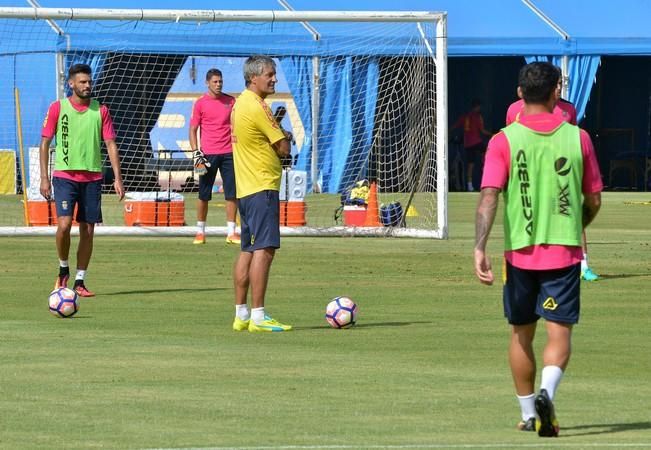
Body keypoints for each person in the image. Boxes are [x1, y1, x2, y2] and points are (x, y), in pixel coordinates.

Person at [474, 62, 602, 437]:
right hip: (563, 256)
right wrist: (577, 223)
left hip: (518, 255)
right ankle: (548, 391)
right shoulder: (578, 138)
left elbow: (488, 197)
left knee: (520, 335)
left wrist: (479, 247)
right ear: (556, 94)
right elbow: (593, 199)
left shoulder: (503, 140)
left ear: (518, 94)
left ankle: (530, 412)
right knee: (559, 335)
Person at [39, 63, 124, 297]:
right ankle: (63, 268)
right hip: (64, 176)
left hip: (93, 178)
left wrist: (117, 178)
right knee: (64, 226)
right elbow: (45, 142)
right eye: (83, 82)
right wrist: (44, 177)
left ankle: (79, 281)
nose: (87, 85)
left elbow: (110, 144)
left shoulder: (101, 110)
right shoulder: (58, 108)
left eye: (89, 82)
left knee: (88, 230)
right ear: (71, 84)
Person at [506, 76, 599, 282]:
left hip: (560, 174)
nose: (558, 88)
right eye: (555, 84)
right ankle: (525, 263)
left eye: (560, 84)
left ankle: (583, 265)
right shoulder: (515, 110)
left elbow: (573, 138)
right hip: (530, 175)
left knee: (572, 215)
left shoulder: (568, 109)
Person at [230, 55, 293, 333]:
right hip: (261, 186)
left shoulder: (238, 103)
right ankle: (258, 316)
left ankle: (241, 314)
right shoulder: (258, 106)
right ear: (253, 77)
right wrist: (284, 138)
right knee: (264, 250)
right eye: (269, 74)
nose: (274, 78)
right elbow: (283, 148)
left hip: (246, 188)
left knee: (247, 249)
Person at [189, 68, 239, 245]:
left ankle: (231, 232)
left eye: (220, 81)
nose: (218, 85)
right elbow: (193, 130)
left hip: (229, 153)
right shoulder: (200, 103)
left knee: (232, 194)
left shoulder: (231, 101)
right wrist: (196, 153)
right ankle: (200, 232)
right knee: (204, 194)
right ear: (207, 83)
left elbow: (238, 125)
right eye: (215, 82)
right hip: (207, 155)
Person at [452, 99, 493, 192]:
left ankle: (470, 186)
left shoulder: (464, 116)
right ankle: (488, 181)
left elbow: (455, 126)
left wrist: (448, 131)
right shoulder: (478, 116)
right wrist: (492, 134)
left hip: (467, 144)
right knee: (488, 158)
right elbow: (482, 131)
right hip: (476, 142)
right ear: (477, 107)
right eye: (479, 107)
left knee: (471, 165)